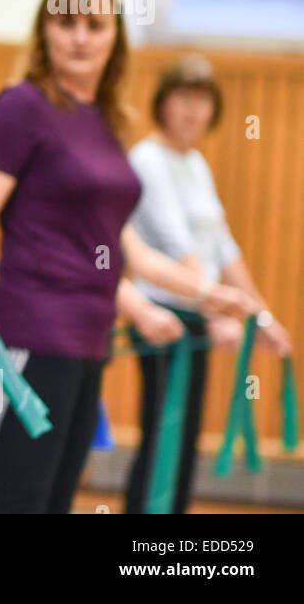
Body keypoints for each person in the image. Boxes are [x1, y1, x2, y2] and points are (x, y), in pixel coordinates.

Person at [0, 0, 255, 514]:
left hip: (89, 343)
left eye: (95, 24)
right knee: (20, 500)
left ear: (115, 36)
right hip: (31, 336)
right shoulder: (22, 106)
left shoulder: (107, 121)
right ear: (43, 30)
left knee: (57, 500)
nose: (80, 36)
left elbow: (118, 247)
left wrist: (204, 292)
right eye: (66, 22)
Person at [123, 54, 292, 513]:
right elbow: (183, 250)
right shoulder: (148, 160)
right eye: (184, 99)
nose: (193, 111)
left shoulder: (195, 163)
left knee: (182, 440)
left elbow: (223, 248)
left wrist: (262, 316)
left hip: (197, 314)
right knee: (163, 437)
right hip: (164, 317)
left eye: (202, 100)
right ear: (163, 103)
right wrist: (216, 310)